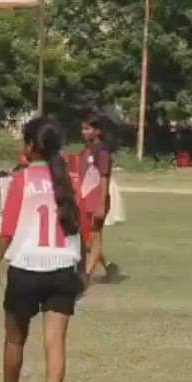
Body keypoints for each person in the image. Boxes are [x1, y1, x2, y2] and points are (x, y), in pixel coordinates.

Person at [0, 116, 84, 382]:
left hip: (26, 267)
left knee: (15, 338)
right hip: (62, 268)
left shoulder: (23, 179)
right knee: (56, 343)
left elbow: (8, 230)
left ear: (30, 146)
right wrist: (82, 270)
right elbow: (79, 227)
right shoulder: (69, 179)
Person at [79, 114, 119, 282]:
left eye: (87, 128)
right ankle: (109, 265)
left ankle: (86, 275)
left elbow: (104, 179)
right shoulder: (86, 149)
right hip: (84, 199)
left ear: (97, 131)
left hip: (97, 200)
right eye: (83, 128)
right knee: (86, 241)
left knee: (95, 237)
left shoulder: (102, 152)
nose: (83, 132)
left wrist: (101, 204)